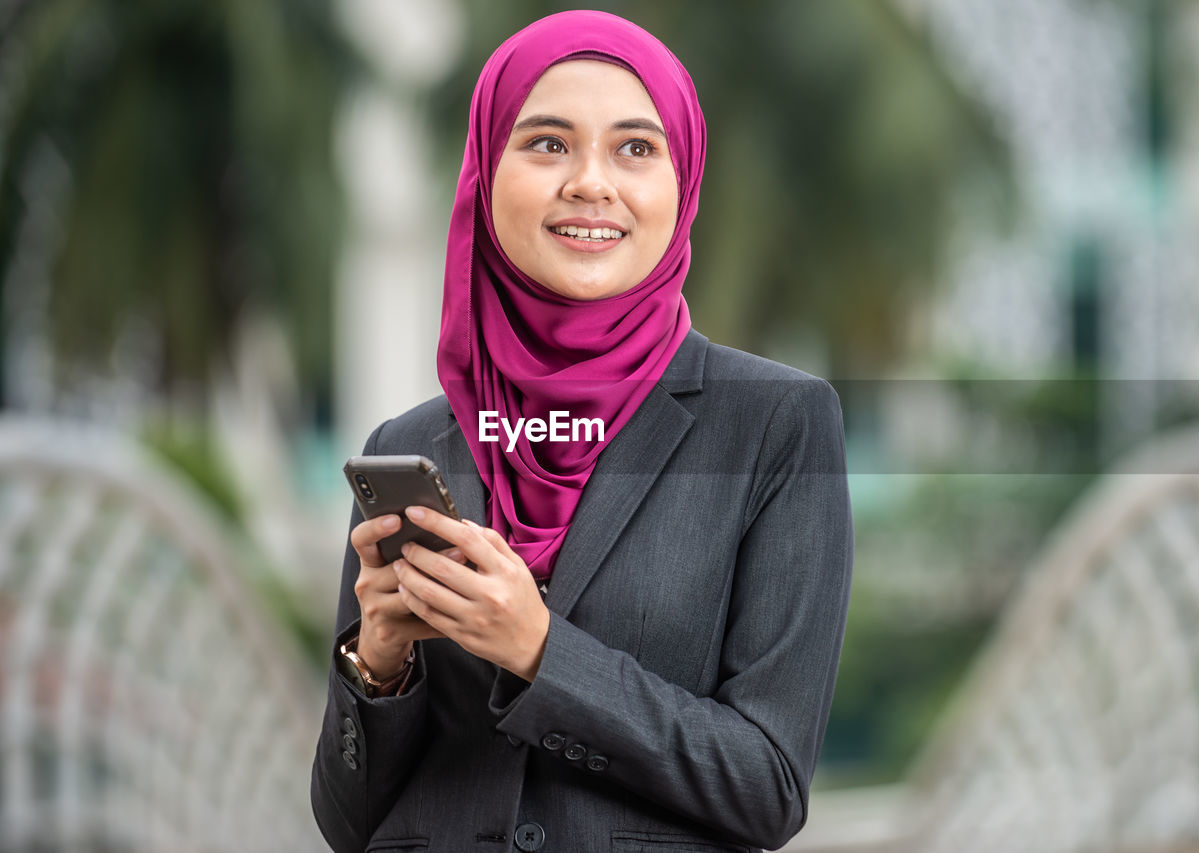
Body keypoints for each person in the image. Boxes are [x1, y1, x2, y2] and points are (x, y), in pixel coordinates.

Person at [311, 10, 853, 853]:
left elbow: (768, 784)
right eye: (548, 144)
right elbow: (347, 824)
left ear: (684, 182)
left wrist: (540, 651)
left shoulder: (774, 426)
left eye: (636, 148)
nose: (591, 182)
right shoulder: (410, 443)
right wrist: (377, 663)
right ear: (486, 174)